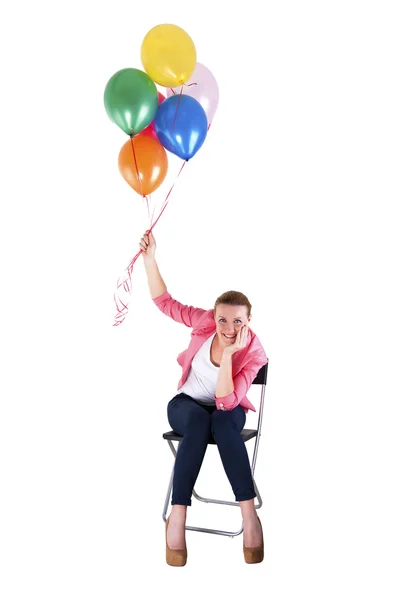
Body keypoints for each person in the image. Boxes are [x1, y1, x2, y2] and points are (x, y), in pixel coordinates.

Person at [139, 231, 268, 566]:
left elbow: (226, 403)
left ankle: (249, 515)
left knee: (222, 422)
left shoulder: (254, 353)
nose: (227, 327)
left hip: (228, 410)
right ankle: (178, 515)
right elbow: (165, 302)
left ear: (248, 321)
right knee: (198, 420)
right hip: (187, 406)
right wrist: (150, 259)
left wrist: (228, 356)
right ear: (214, 315)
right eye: (222, 318)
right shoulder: (205, 323)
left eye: (237, 321)